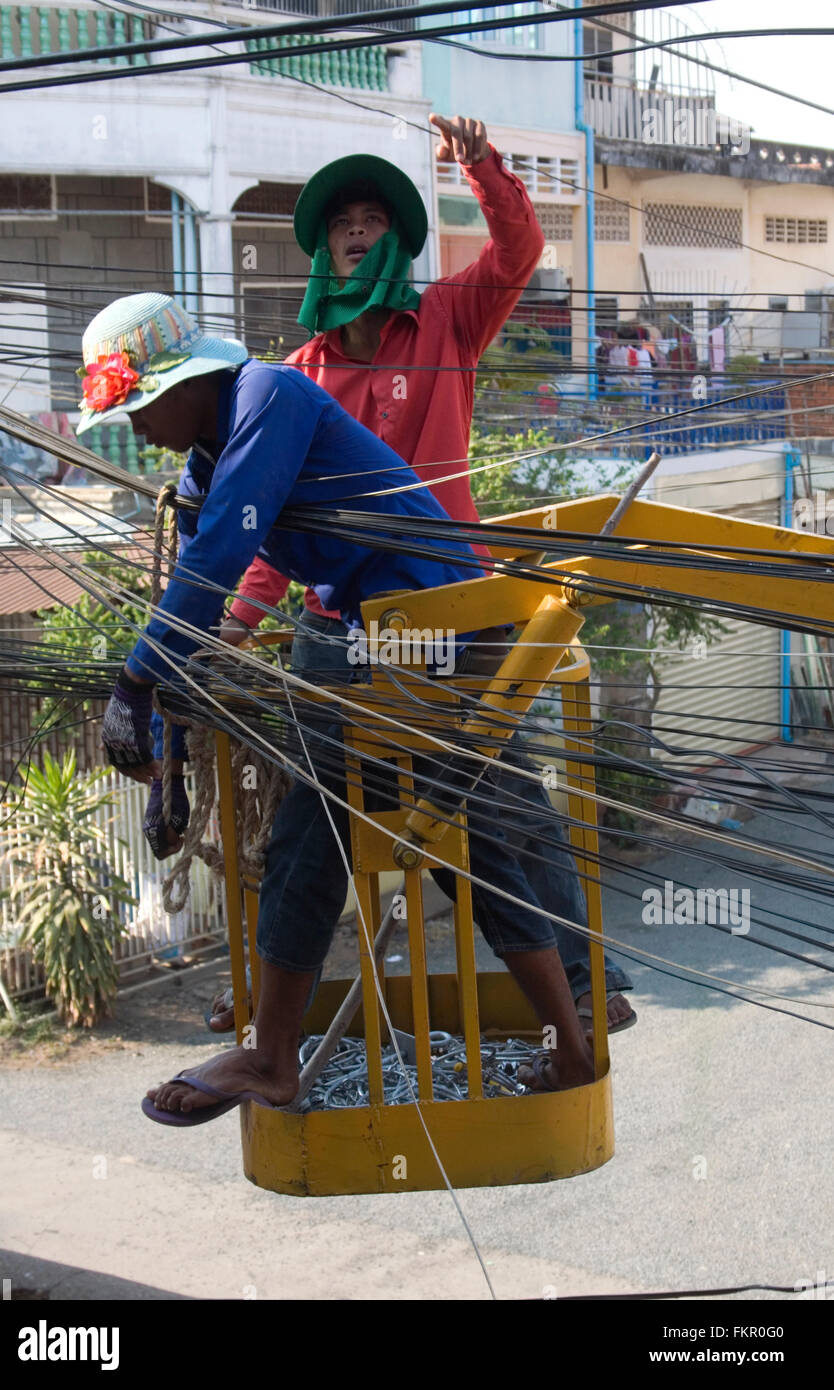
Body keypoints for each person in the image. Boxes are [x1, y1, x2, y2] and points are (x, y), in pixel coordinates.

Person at [78, 291, 596, 1120]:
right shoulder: (212, 455)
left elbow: (214, 560)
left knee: (379, 832)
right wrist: (166, 761)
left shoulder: (268, 399)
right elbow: (209, 591)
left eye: (139, 406)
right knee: (437, 837)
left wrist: (133, 685)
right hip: (377, 637)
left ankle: (275, 1057)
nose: (135, 429)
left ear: (187, 383)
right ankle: (564, 1045)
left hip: (435, 632)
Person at [207, 113, 635, 1038]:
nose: (358, 232)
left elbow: (521, 249)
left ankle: (588, 984)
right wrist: (232, 627)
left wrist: (479, 163)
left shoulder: (445, 318)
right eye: (341, 224)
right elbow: (269, 534)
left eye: (372, 220)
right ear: (325, 251)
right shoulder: (296, 379)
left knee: (505, 795)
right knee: (308, 820)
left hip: (453, 605)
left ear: (397, 241)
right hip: (341, 628)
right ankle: (265, 1006)